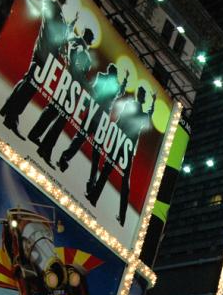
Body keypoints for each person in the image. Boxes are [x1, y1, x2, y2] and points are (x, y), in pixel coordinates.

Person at [0, 0, 70, 138]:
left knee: (28, 82)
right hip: (44, 54)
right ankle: (11, 117)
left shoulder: (53, 7)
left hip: (45, 54)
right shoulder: (55, 10)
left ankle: (8, 111)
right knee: (30, 86)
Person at [86, 86, 156, 226]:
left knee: (108, 171)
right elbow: (148, 116)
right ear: (143, 98)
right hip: (127, 148)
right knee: (123, 179)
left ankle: (94, 197)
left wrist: (111, 134)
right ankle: (121, 216)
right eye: (144, 96)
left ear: (138, 96)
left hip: (121, 144)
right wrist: (153, 102)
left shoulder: (131, 108)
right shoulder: (140, 113)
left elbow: (118, 123)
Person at [28, 26, 95, 167]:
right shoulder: (81, 48)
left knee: (52, 111)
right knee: (59, 121)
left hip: (67, 84)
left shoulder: (74, 41)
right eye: (91, 39)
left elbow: (68, 54)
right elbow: (77, 71)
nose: (91, 42)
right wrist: (88, 87)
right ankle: (45, 149)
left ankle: (36, 136)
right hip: (71, 87)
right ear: (88, 39)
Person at [57, 63, 129, 187]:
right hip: (99, 119)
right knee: (95, 149)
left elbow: (93, 92)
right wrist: (125, 80)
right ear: (114, 74)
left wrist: (84, 106)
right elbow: (120, 91)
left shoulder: (102, 77)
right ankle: (91, 181)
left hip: (94, 114)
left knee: (80, 139)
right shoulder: (114, 84)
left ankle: (65, 159)